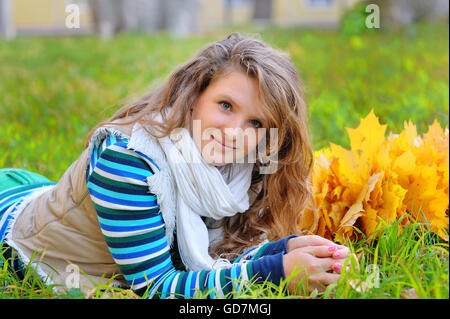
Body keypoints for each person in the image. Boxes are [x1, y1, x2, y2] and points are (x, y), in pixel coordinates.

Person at [0, 33, 350, 298]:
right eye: (225, 105)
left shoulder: (239, 169)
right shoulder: (127, 163)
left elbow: (211, 258)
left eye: (256, 123)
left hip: (40, 191)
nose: (234, 132)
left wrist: (286, 248)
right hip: (14, 221)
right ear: (195, 96)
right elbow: (158, 288)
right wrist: (277, 272)